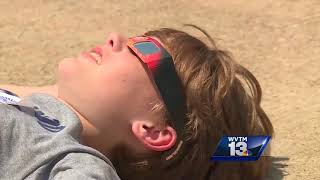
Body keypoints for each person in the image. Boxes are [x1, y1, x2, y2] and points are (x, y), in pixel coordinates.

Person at [0, 25, 274, 180]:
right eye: (135, 39)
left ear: (153, 130)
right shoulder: (46, 108)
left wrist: (245, 148)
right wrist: (236, 146)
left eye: (144, 51)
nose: (115, 37)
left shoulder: (75, 163)